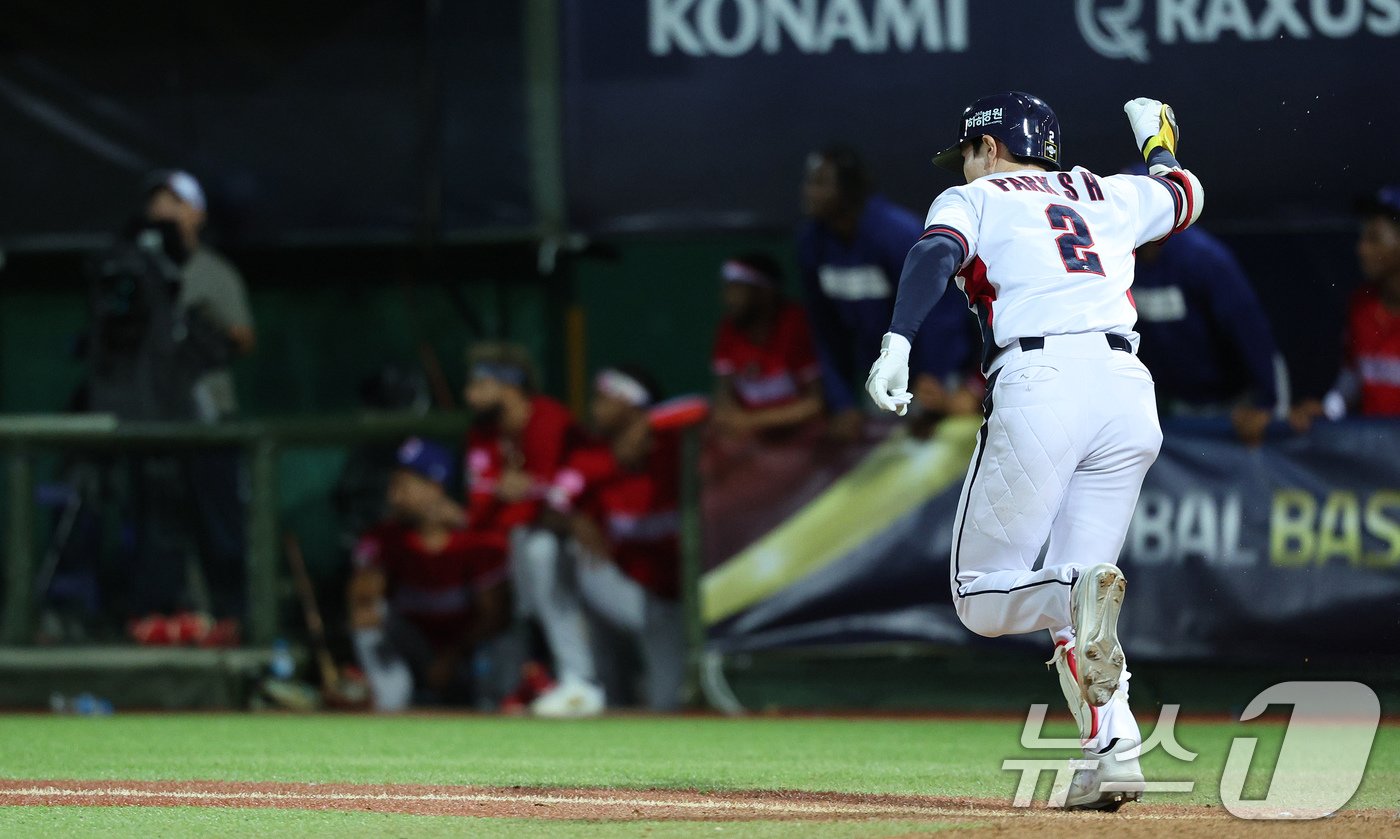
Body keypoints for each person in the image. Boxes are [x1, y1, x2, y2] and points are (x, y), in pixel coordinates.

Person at [866, 93, 1203, 811]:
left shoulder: (978, 195)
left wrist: (898, 339)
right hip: (1126, 391)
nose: (963, 162)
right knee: (1079, 597)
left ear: (989, 148)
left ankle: (1073, 597)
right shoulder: (1104, 192)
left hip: (1042, 380)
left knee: (982, 594)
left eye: (967, 149)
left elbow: (934, 251)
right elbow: (1184, 193)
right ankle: (1114, 751)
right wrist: (1156, 143)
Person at [522, 366, 687, 714]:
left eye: (605, 400)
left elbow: (703, 405)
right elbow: (548, 511)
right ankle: (578, 680)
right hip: (616, 587)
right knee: (543, 548)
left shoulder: (677, 448)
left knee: (666, 705)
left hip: (675, 605)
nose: (595, 408)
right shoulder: (589, 459)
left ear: (633, 405)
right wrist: (575, 519)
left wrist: (652, 423)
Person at [798, 145, 975, 439]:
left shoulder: (898, 234)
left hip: (936, 374)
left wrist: (935, 379)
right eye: (809, 182)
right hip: (879, 376)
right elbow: (825, 330)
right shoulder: (811, 244)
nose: (808, 192)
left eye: (820, 183)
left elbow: (940, 313)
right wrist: (842, 403)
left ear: (848, 188)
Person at [147, 170, 255, 633]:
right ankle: (159, 622)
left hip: (209, 414)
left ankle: (234, 619)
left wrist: (202, 332)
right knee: (158, 531)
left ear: (197, 213)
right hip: (152, 416)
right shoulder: (140, 268)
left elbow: (245, 339)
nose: (164, 209)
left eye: (175, 201)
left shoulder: (213, 272)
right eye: (158, 200)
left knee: (220, 526)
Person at [460, 343, 589, 708]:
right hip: (519, 543)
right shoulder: (484, 432)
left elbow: (561, 501)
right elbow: (481, 504)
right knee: (522, 552)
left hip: (580, 541)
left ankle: (577, 677)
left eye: (479, 385)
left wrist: (521, 492)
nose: (469, 395)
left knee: (539, 549)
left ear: (509, 386)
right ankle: (537, 679)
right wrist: (511, 493)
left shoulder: (550, 420)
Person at [349, 438, 510, 711]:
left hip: (466, 650)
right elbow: (363, 604)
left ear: (434, 488)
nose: (393, 497)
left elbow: (494, 615)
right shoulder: (384, 538)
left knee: (505, 642)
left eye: (403, 485)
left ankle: (499, 704)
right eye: (392, 486)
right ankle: (391, 699)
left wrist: (451, 657)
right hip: (415, 648)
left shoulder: (477, 538)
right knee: (369, 620)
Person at [1132, 223, 1282, 445]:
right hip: (1175, 404)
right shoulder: (1115, 258)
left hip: (1236, 401)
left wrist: (1266, 402)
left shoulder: (1203, 257)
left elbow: (1250, 328)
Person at [1291, 185, 1400, 428]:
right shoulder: (1361, 305)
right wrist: (1329, 409)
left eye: (1374, 239)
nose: (1361, 249)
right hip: (1376, 453)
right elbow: (1354, 374)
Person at [710, 253, 824, 439]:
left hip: (802, 440)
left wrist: (751, 421)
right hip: (751, 443)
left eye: (737, 289)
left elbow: (816, 403)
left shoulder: (796, 324)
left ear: (765, 292)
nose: (728, 298)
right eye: (727, 289)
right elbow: (723, 399)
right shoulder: (728, 330)